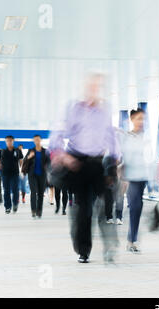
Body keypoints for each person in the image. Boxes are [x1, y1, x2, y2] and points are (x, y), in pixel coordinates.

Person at [49, 72, 120, 264]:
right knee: (85, 210)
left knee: (107, 203)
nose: (94, 90)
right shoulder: (73, 109)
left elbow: (110, 135)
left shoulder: (105, 110)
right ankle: (83, 249)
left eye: (98, 87)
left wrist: (114, 160)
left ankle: (110, 246)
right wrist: (63, 156)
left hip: (98, 163)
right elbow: (57, 135)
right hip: (77, 164)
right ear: (85, 88)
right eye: (91, 86)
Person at [118, 108, 155, 253]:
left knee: (137, 208)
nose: (141, 121)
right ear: (132, 120)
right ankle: (132, 240)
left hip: (143, 176)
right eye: (138, 118)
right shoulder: (126, 137)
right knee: (135, 206)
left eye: (143, 119)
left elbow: (149, 157)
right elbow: (122, 157)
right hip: (131, 177)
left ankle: (132, 237)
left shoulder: (146, 137)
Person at [23, 135, 50, 219]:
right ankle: (33, 210)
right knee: (33, 192)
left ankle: (39, 211)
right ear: (34, 141)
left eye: (38, 140)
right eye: (35, 140)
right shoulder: (31, 150)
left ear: (40, 140)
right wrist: (29, 157)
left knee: (41, 193)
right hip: (32, 174)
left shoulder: (45, 151)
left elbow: (49, 163)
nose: (37, 141)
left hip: (42, 175)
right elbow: (25, 161)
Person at [0, 136, 23, 214]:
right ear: (5, 142)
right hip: (5, 174)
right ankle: (7, 207)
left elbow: (21, 161)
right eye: (7, 141)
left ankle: (15, 204)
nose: (9, 142)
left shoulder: (17, 150)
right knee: (6, 190)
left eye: (10, 141)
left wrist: (22, 171)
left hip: (15, 173)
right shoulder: (2, 151)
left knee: (15, 190)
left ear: (13, 141)